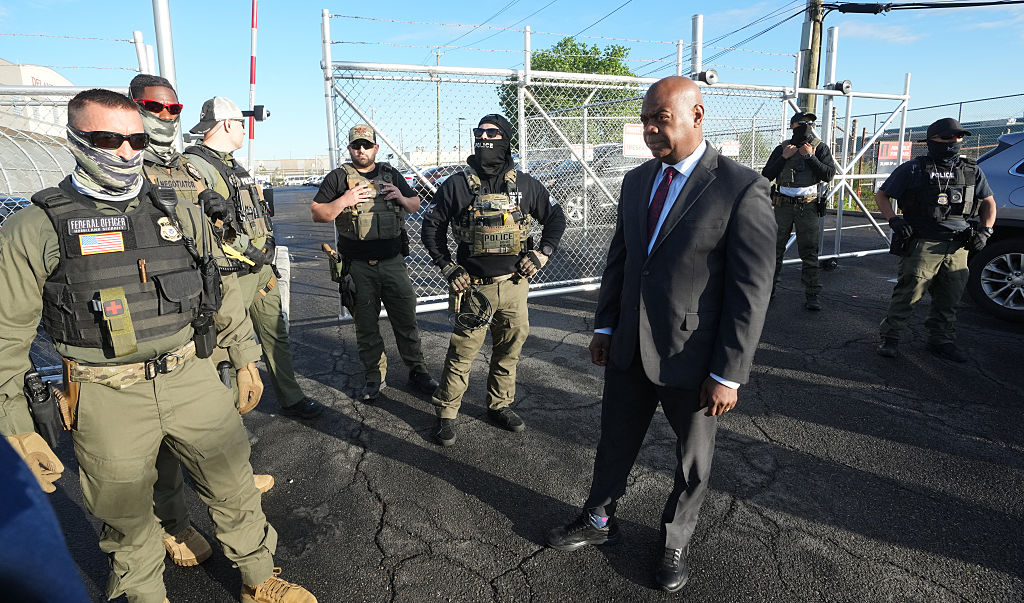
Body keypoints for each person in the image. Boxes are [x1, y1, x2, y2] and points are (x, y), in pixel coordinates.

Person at [0, 89, 315, 603]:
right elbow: (6, 337)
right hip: (106, 396)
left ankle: (259, 579)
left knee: (234, 486)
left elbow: (218, 291)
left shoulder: (180, 211)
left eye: (136, 140)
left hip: (190, 376)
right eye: (108, 139)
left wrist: (244, 357)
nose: (126, 151)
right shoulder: (35, 228)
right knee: (125, 518)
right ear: (75, 140)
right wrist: (15, 426)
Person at [544, 76, 776, 593]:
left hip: (694, 357)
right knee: (614, 440)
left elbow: (751, 290)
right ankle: (599, 519)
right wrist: (605, 325)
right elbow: (622, 261)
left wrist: (729, 374)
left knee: (692, 461)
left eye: (661, 119)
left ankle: (674, 541)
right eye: (646, 119)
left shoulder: (741, 187)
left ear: (697, 116)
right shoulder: (637, 181)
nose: (650, 129)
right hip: (629, 345)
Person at [130, 74, 275, 570]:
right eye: (153, 107)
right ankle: (172, 523)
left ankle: (253, 562)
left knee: (215, 431)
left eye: (173, 108)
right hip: (145, 338)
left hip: (196, 328)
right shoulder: (112, 183)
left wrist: (244, 353)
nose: (164, 116)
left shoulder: (187, 177)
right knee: (159, 454)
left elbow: (217, 269)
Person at [421, 114, 566, 446]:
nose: (484, 138)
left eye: (492, 133)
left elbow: (556, 217)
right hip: (473, 289)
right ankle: (446, 414)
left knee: (509, 350)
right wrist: (447, 267)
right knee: (462, 354)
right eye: (480, 132)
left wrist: (542, 253)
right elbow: (431, 228)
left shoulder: (525, 185)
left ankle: (499, 405)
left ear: (506, 140)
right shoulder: (456, 185)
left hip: (514, 285)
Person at [184, 97, 324, 419]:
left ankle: (291, 397)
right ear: (226, 125)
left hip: (260, 269)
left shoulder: (233, 165)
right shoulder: (195, 167)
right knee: (230, 347)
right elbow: (209, 225)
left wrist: (269, 242)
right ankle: (229, 417)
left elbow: (256, 211)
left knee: (276, 336)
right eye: (240, 123)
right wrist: (250, 250)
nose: (244, 129)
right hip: (232, 274)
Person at [311, 124, 439, 401]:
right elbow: (318, 213)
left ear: (375, 148)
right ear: (349, 148)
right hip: (358, 267)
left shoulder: (390, 174)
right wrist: (344, 200)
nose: (361, 150)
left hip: (393, 263)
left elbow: (415, 204)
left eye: (367, 145)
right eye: (356, 145)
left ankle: (418, 370)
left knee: (406, 321)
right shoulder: (338, 177)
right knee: (366, 326)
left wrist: (401, 197)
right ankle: (374, 376)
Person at [875, 117, 996, 361]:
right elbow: (882, 195)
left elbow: (989, 202)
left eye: (958, 137)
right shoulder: (914, 169)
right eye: (947, 137)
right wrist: (894, 220)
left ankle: (941, 340)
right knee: (909, 293)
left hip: (958, 245)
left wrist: (986, 230)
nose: (954, 142)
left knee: (950, 297)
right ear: (931, 141)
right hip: (924, 242)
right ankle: (891, 338)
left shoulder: (971, 170)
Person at [760, 111, 837, 310]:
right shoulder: (783, 148)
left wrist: (810, 157)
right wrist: (784, 158)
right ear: (792, 126)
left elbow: (829, 174)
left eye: (810, 123)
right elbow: (766, 175)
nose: (807, 126)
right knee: (774, 250)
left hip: (807, 206)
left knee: (809, 251)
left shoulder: (819, 148)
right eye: (802, 122)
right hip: (782, 205)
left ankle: (812, 294)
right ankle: (768, 291)